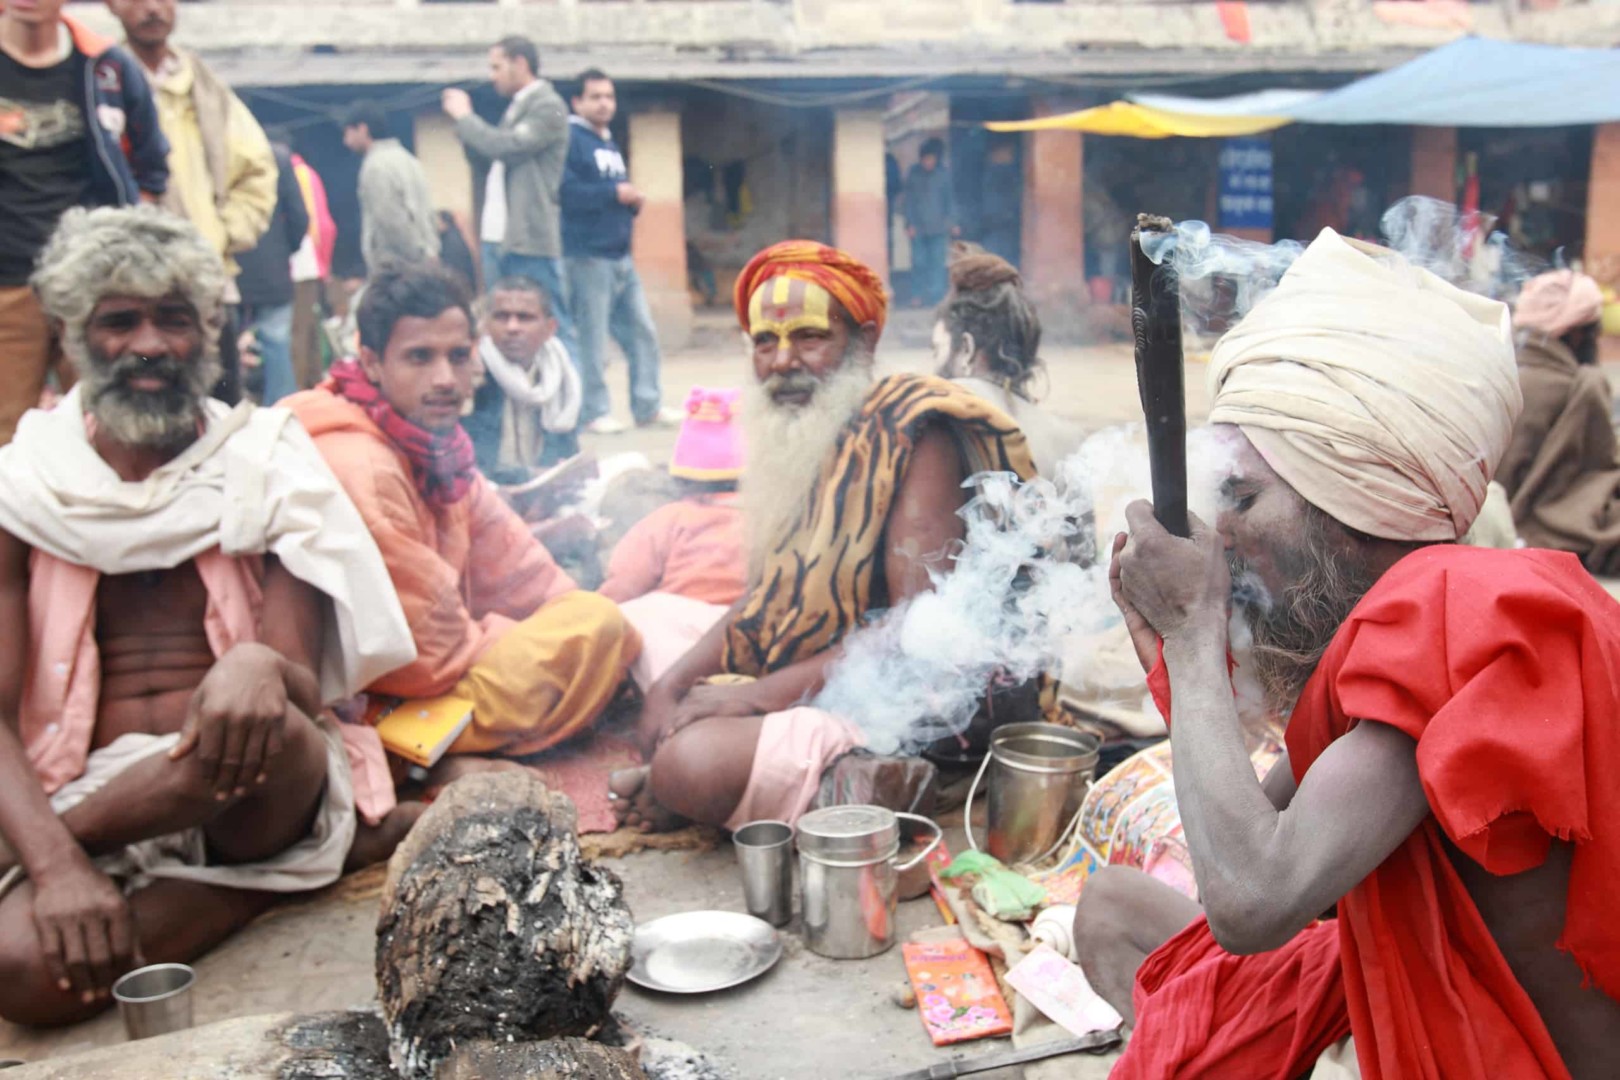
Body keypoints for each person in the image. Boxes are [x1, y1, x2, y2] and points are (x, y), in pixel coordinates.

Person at [1073, 230, 1619, 1078]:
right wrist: (1198, 653)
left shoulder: (1452, 619)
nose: (1226, 533)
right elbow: (1251, 826)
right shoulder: (1411, 621)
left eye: (1244, 497)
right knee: (1109, 907)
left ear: (1349, 497)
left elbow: (1253, 901)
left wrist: (1189, 636)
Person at [0, 206, 417, 1026]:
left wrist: (257, 662)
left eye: (175, 320)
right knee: (17, 970)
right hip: (81, 783)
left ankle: (229, 868)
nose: (150, 345)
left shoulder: (262, 457)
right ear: (76, 336)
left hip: (250, 791)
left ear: (211, 333)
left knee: (263, 717)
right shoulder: (23, 486)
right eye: (120, 322)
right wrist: (59, 872)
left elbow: (295, 696)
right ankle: (281, 887)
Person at [609, 241, 1035, 833]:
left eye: (809, 338)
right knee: (643, 622)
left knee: (690, 763)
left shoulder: (912, 431)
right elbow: (771, 598)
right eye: (765, 342)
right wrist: (671, 685)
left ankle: (861, 781)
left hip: (912, 706)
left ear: (863, 343)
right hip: (814, 667)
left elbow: (920, 630)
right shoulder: (798, 434)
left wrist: (752, 698)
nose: (783, 361)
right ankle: (758, 778)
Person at [285, 265, 641, 763]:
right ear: (370, 362)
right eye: (419, 358)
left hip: (439, 664)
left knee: (592, 619)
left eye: (457, 356)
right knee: (596, 627)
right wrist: (536, 637)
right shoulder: (364, 464)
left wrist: (566, 618)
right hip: (377, 701)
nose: (445, 379)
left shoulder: (434, 445)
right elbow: (426, 658)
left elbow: (521, 568)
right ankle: (408, 759)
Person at [0, 0, 167, 445]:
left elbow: (152, 166)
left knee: (113, 426)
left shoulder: (106, 65)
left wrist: (126, 243)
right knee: (5, 430)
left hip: (96, 286)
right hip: (7, 284)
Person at [109, 0, 279, 406]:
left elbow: (257, 170)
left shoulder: (204, 87)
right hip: (120, 284)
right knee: (134, 414)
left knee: (217, 413)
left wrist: (220, 233)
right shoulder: (101, 81)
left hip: (206, 282)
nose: (152, 8)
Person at [601, 386, 747, 691]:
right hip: (747, 632)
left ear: (679, 481)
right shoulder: (767, 517)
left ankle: (668, 698)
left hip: (679, 634)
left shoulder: (670, 517)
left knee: (632, 616)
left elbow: (624, 585)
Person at [441, 36, 577, 365]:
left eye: (497, 67)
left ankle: (574, 409)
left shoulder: (549, 104)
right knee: (499, 329)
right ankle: (505, 411)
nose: (492, 76)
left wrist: (464, 118)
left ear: (521, 63)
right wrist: (467, 130)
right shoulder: (517, 107)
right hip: (499, 238)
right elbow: (488, 155)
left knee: (551, 324)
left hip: (529, 239)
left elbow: (508, 147)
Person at [560, 69, 680, 434]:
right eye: (595, 97)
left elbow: (609, 194)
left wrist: (630, 201)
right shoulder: (571, 140)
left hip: (620, 256)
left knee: (642, 331)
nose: (604, 104)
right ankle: (594, 411)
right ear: (577, 102)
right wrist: (615, 194)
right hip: (587, 255)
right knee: (592, 337)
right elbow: (566, 194)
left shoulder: (608, 143)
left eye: (609, 97)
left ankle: (648, 406)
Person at [1497, 269, 1620, 574]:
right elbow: (1598, 475)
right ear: (1577, 333)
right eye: (1594, 331)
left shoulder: (1501, 374)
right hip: (1549, 528)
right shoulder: (1584, 386)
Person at [933, 246, 1078, 476]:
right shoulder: (1069, 440)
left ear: (967, 349)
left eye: (937, 350)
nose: (933, 368)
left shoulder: (942, 416)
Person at [464, 274, 581, 476]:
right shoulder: (471, 375)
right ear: (485, 324)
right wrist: (527, 477)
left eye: (524, 318)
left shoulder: (563, 378)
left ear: (549, 328)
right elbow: (467, 469)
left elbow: (567, 454)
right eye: (502, 317)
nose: (512, 328)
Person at [234, 139, 309, 405]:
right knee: (277, 346)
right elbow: (299, 216)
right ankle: (281, 413)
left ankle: (229, 410)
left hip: (229, 266)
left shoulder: (219, 151)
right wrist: (285, 249)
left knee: (225, 347)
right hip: (272, 270)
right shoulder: (278, 157)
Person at [341, 106, 438, 274]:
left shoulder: (376, 166)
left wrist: (417, 255)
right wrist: (429, 254)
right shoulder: (408, 159)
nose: (345, 141)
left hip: (398, 266)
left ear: (362, 129)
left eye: (348, 133)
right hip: (426, 257)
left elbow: (390, 219)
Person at [903, 138, 958, 307]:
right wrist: (909, 224)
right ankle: (917, 295)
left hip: (939, 227)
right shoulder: (914, 174)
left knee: (937, 263)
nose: (929, 162)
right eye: (926, 159)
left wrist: (953, 222)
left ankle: (936, 297)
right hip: (917, 228)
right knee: (919, 262)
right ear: (921, 159)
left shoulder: (943, 175)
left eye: (932, 159)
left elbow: (950, 200)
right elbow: (908, 202)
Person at [978, 140, 1021, 268]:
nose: (1009, 156)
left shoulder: (1005, 172)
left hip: (1003, 217)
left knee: (1004, 247)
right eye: (1007, 152)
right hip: (997, 216)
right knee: (996, 246)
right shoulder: (996, 173)